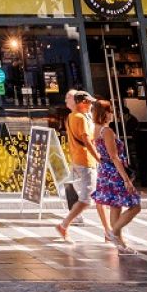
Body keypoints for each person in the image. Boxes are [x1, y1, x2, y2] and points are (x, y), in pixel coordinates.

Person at [88, 99, 143, 252]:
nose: (113, 114)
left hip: (105, 171)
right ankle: (113, 233)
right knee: (135, 205)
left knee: (115, 206)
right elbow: (114, 156)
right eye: (110, 111)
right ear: (104, 113)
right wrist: (126, 179)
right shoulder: (107, 131)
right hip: (113, 171)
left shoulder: (96, 129)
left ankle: (121, 245)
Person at [55, 90, 97, 240]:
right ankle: (65, 224)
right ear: (82, 103)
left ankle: (109, 230)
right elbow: (87, 140)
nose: (91, 105)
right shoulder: (80, 118)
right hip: (86, 160)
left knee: (92, 195)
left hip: (79, 159)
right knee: (87, 198)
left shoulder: (72, 117)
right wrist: (98, 157)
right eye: (89, 102)